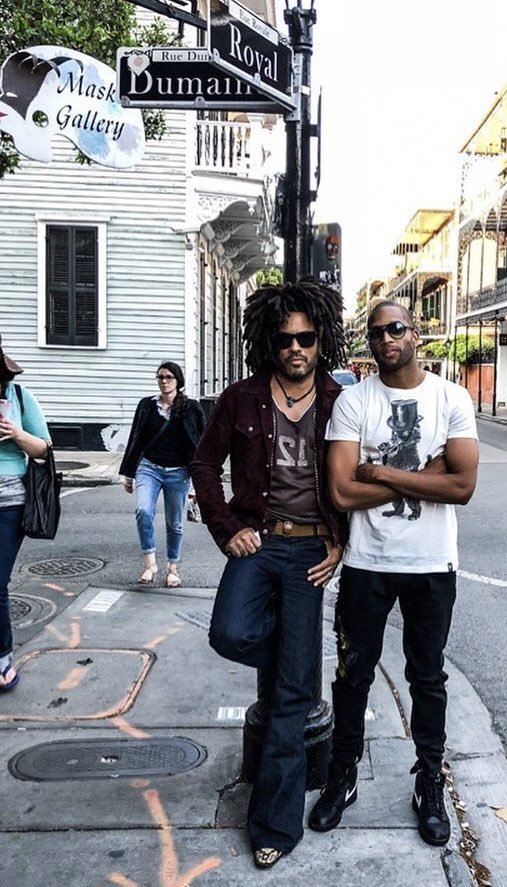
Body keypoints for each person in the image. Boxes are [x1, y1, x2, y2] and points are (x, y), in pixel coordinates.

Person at [309, 300, 479, 847]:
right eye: (377, 332)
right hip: (367, 563)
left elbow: (462, 487)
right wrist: (419, 476)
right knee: (352, 675)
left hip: (432, 564)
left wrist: (380, 471)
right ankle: (344, 775)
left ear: (418, 333)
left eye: (397, 328)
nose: (386, 339)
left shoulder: (452, 397)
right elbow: (340, 491)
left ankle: (429, 779)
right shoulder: (354, 401)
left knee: (427, 679)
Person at [191, 281, 348, 870]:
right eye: (285, 339)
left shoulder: (341, 400)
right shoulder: (241, 398)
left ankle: (273, 826)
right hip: (257, 544)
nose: (296, 348)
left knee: (289, 701)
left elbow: (359, 477)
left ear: (321, 339)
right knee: (229, 633)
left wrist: (343, 541)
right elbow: (204, 464)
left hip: (311, 553)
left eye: (306, 337)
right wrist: (226, 524)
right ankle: (293, 661)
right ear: (270, 342)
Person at [119, 361, 205, 588]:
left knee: (174, 523)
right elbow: (135, 438)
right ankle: (150, 565)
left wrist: (199, 482)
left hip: (179, 472)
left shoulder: (192, 408)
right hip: (149, 468)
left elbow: (201, 444)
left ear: (178, 381)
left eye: (169, 377)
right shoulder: (147, 405)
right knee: (143, 511)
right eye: (160, 377)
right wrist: (127, 472)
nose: (164, 381)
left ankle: (172, 568)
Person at [0, 335, 51, 692]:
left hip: (9, 501)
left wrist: (16, 433)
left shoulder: (18, 397)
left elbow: (44, 449)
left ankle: (2, 658)